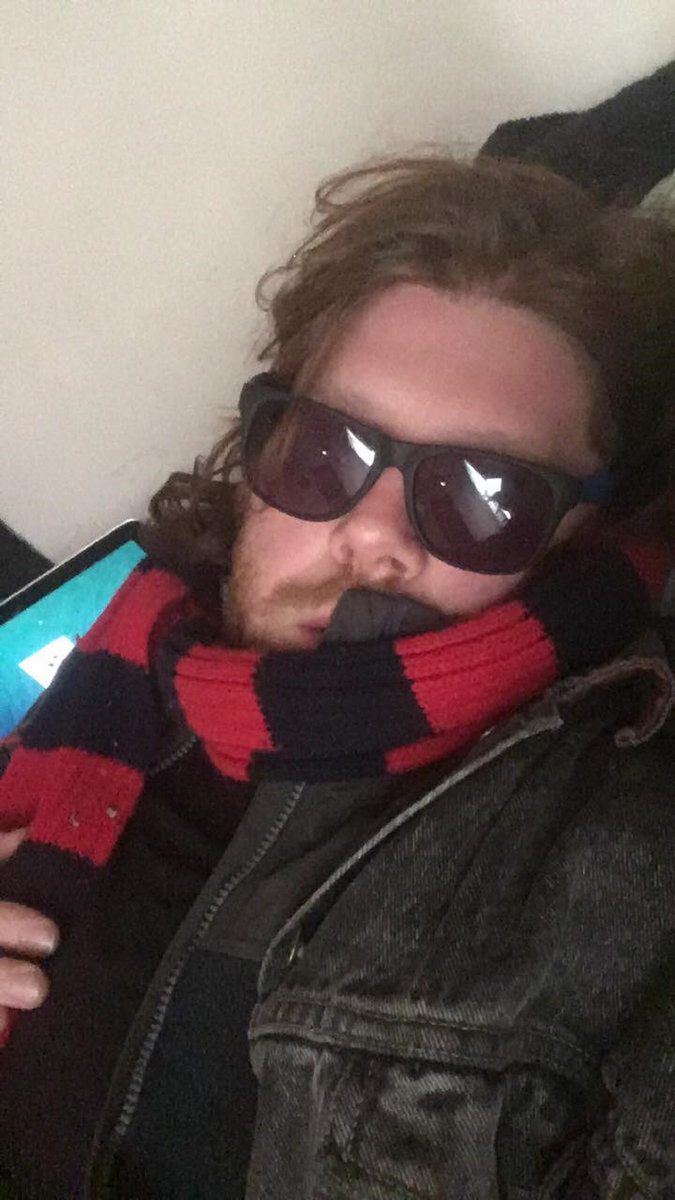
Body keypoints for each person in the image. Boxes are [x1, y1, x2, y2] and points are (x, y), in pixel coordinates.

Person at [0, 154, 673, 1200]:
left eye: (484, 496)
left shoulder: (626, 854)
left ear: (585, 539)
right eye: (325, 450)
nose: (370, 535)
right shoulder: (128, 671)